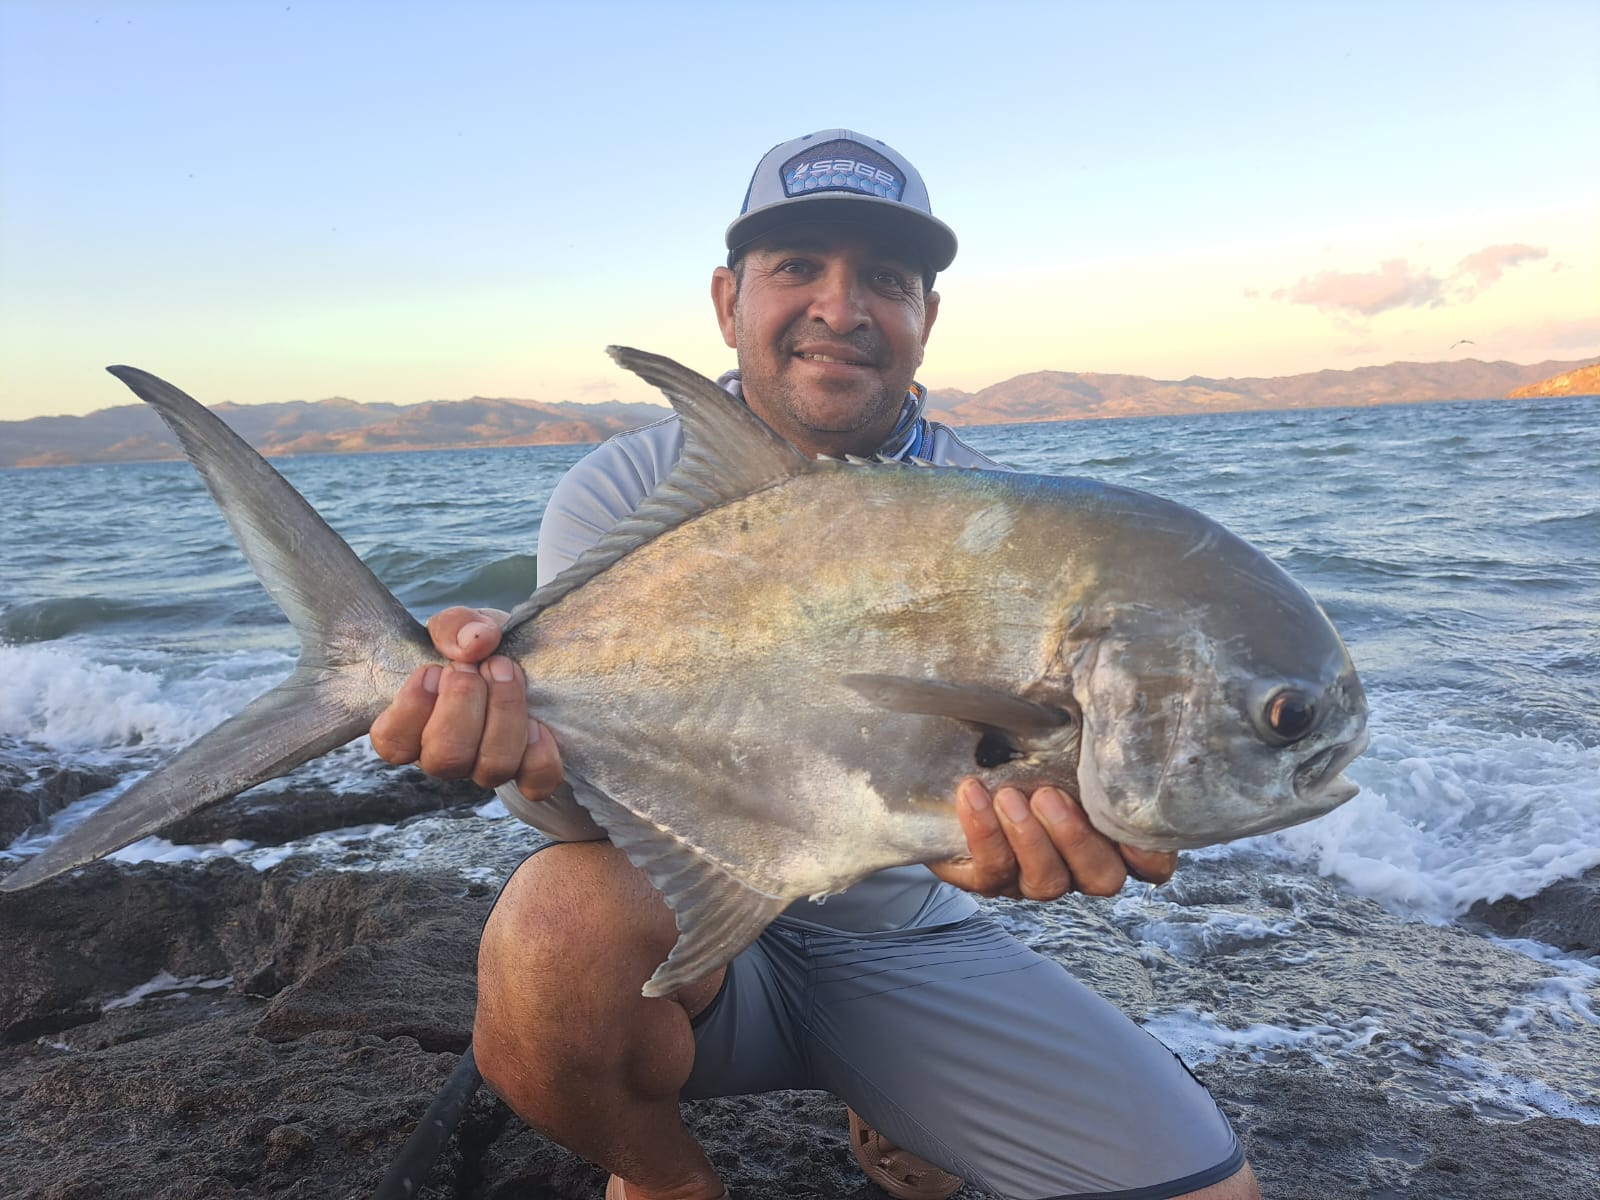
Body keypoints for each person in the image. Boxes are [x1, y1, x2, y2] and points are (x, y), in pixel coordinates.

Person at [370, 130, 1261, 1200]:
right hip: (689, 938)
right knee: (560, 921)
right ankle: (663, 1179)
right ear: (725, 301)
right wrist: (520, 760)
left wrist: (974, 849)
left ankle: (892, 1085)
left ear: (926, 318)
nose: (841, 308)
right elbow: (597, 813)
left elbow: (966, 790)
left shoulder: (999, 519)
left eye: (885, 279)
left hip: (895, 936)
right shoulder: (623, 495)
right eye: (797, 267)